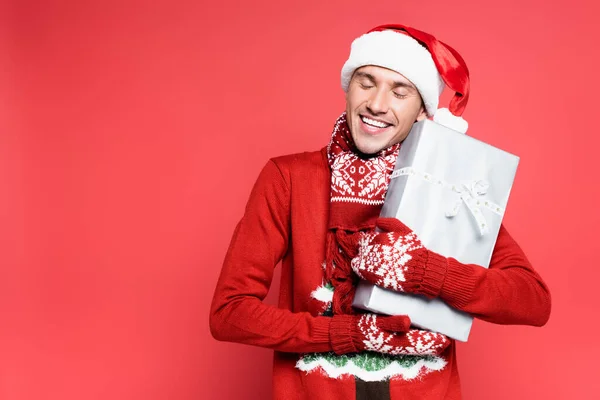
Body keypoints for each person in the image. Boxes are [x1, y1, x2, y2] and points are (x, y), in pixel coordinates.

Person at [209, 23, 551, 400]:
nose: (376, 103)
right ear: (348, 88)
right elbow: (230, 313)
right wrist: (346, 335)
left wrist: (426, 272)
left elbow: (533, 300)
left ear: (422, 111)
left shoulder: (447, 187)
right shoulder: (289, 178)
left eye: (399, 91)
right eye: (366, 82)